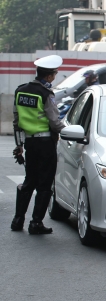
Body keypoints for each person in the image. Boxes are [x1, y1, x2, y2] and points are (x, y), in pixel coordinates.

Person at [11, 55, 66, 234]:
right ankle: (36, 223)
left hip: (29, 143)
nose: (55, 77)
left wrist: (19, 146)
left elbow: (16, 121)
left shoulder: (20, 91)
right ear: (49, 76)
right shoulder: (46, 94)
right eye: (55, 74)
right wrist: (65, 130)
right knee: (44, 184)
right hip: (45, 144)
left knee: (29, 181)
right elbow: (54, 123)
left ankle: (17, 220)